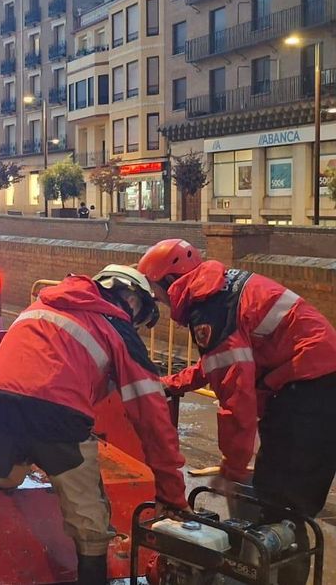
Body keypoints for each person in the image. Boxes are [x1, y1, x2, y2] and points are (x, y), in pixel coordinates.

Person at [0, 265, 187, 585]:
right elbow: (152, 415)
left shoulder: (41, 305)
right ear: (129, 297)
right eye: (140, 313)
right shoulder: (116, 323)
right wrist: (172, 494)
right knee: (89, 519)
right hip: (59, 420)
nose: (135, 323)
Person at [138, 239, 336, 583]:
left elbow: (236, 398)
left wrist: (231, 468)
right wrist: (173, 382)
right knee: (277, 497)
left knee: (283, 506)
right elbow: (219, 364)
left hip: (310, 390)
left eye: (156, 293)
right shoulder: (219, 293)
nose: (157, 301)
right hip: (311, 382)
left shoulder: (211, 309)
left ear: (171, 283)